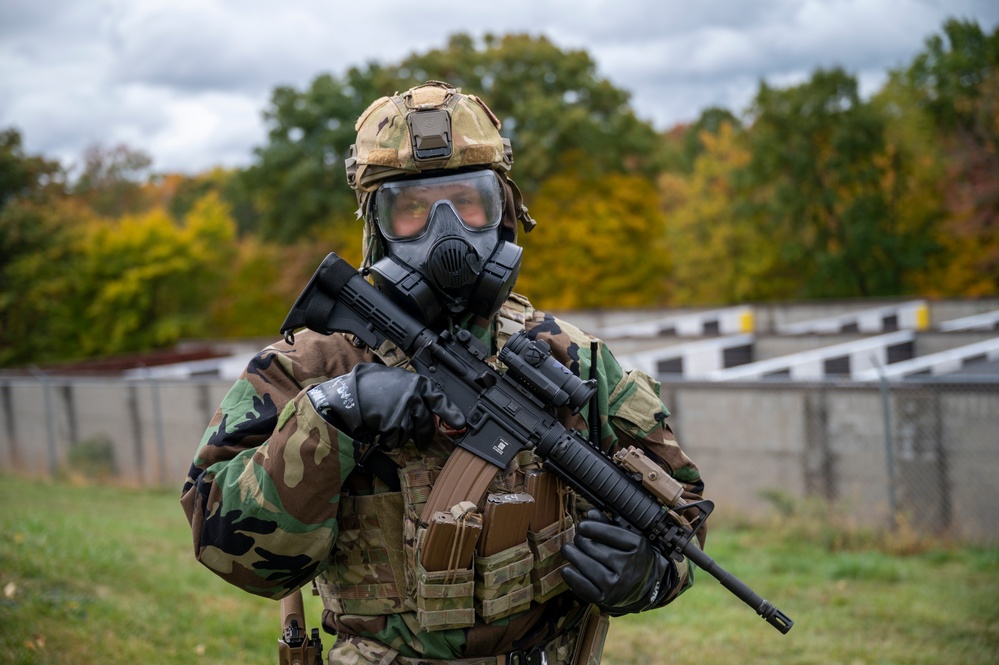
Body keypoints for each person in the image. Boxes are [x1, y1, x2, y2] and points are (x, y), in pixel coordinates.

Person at [181, 80, 705, 665]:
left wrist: (647, 575)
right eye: (412, 210)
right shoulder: (306, 369)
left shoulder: (571, 359)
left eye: (468, 203)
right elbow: (223, 546)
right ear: (377, 225)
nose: (446, 233)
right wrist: (330, 415)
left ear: (503, 212)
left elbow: (681, 520)